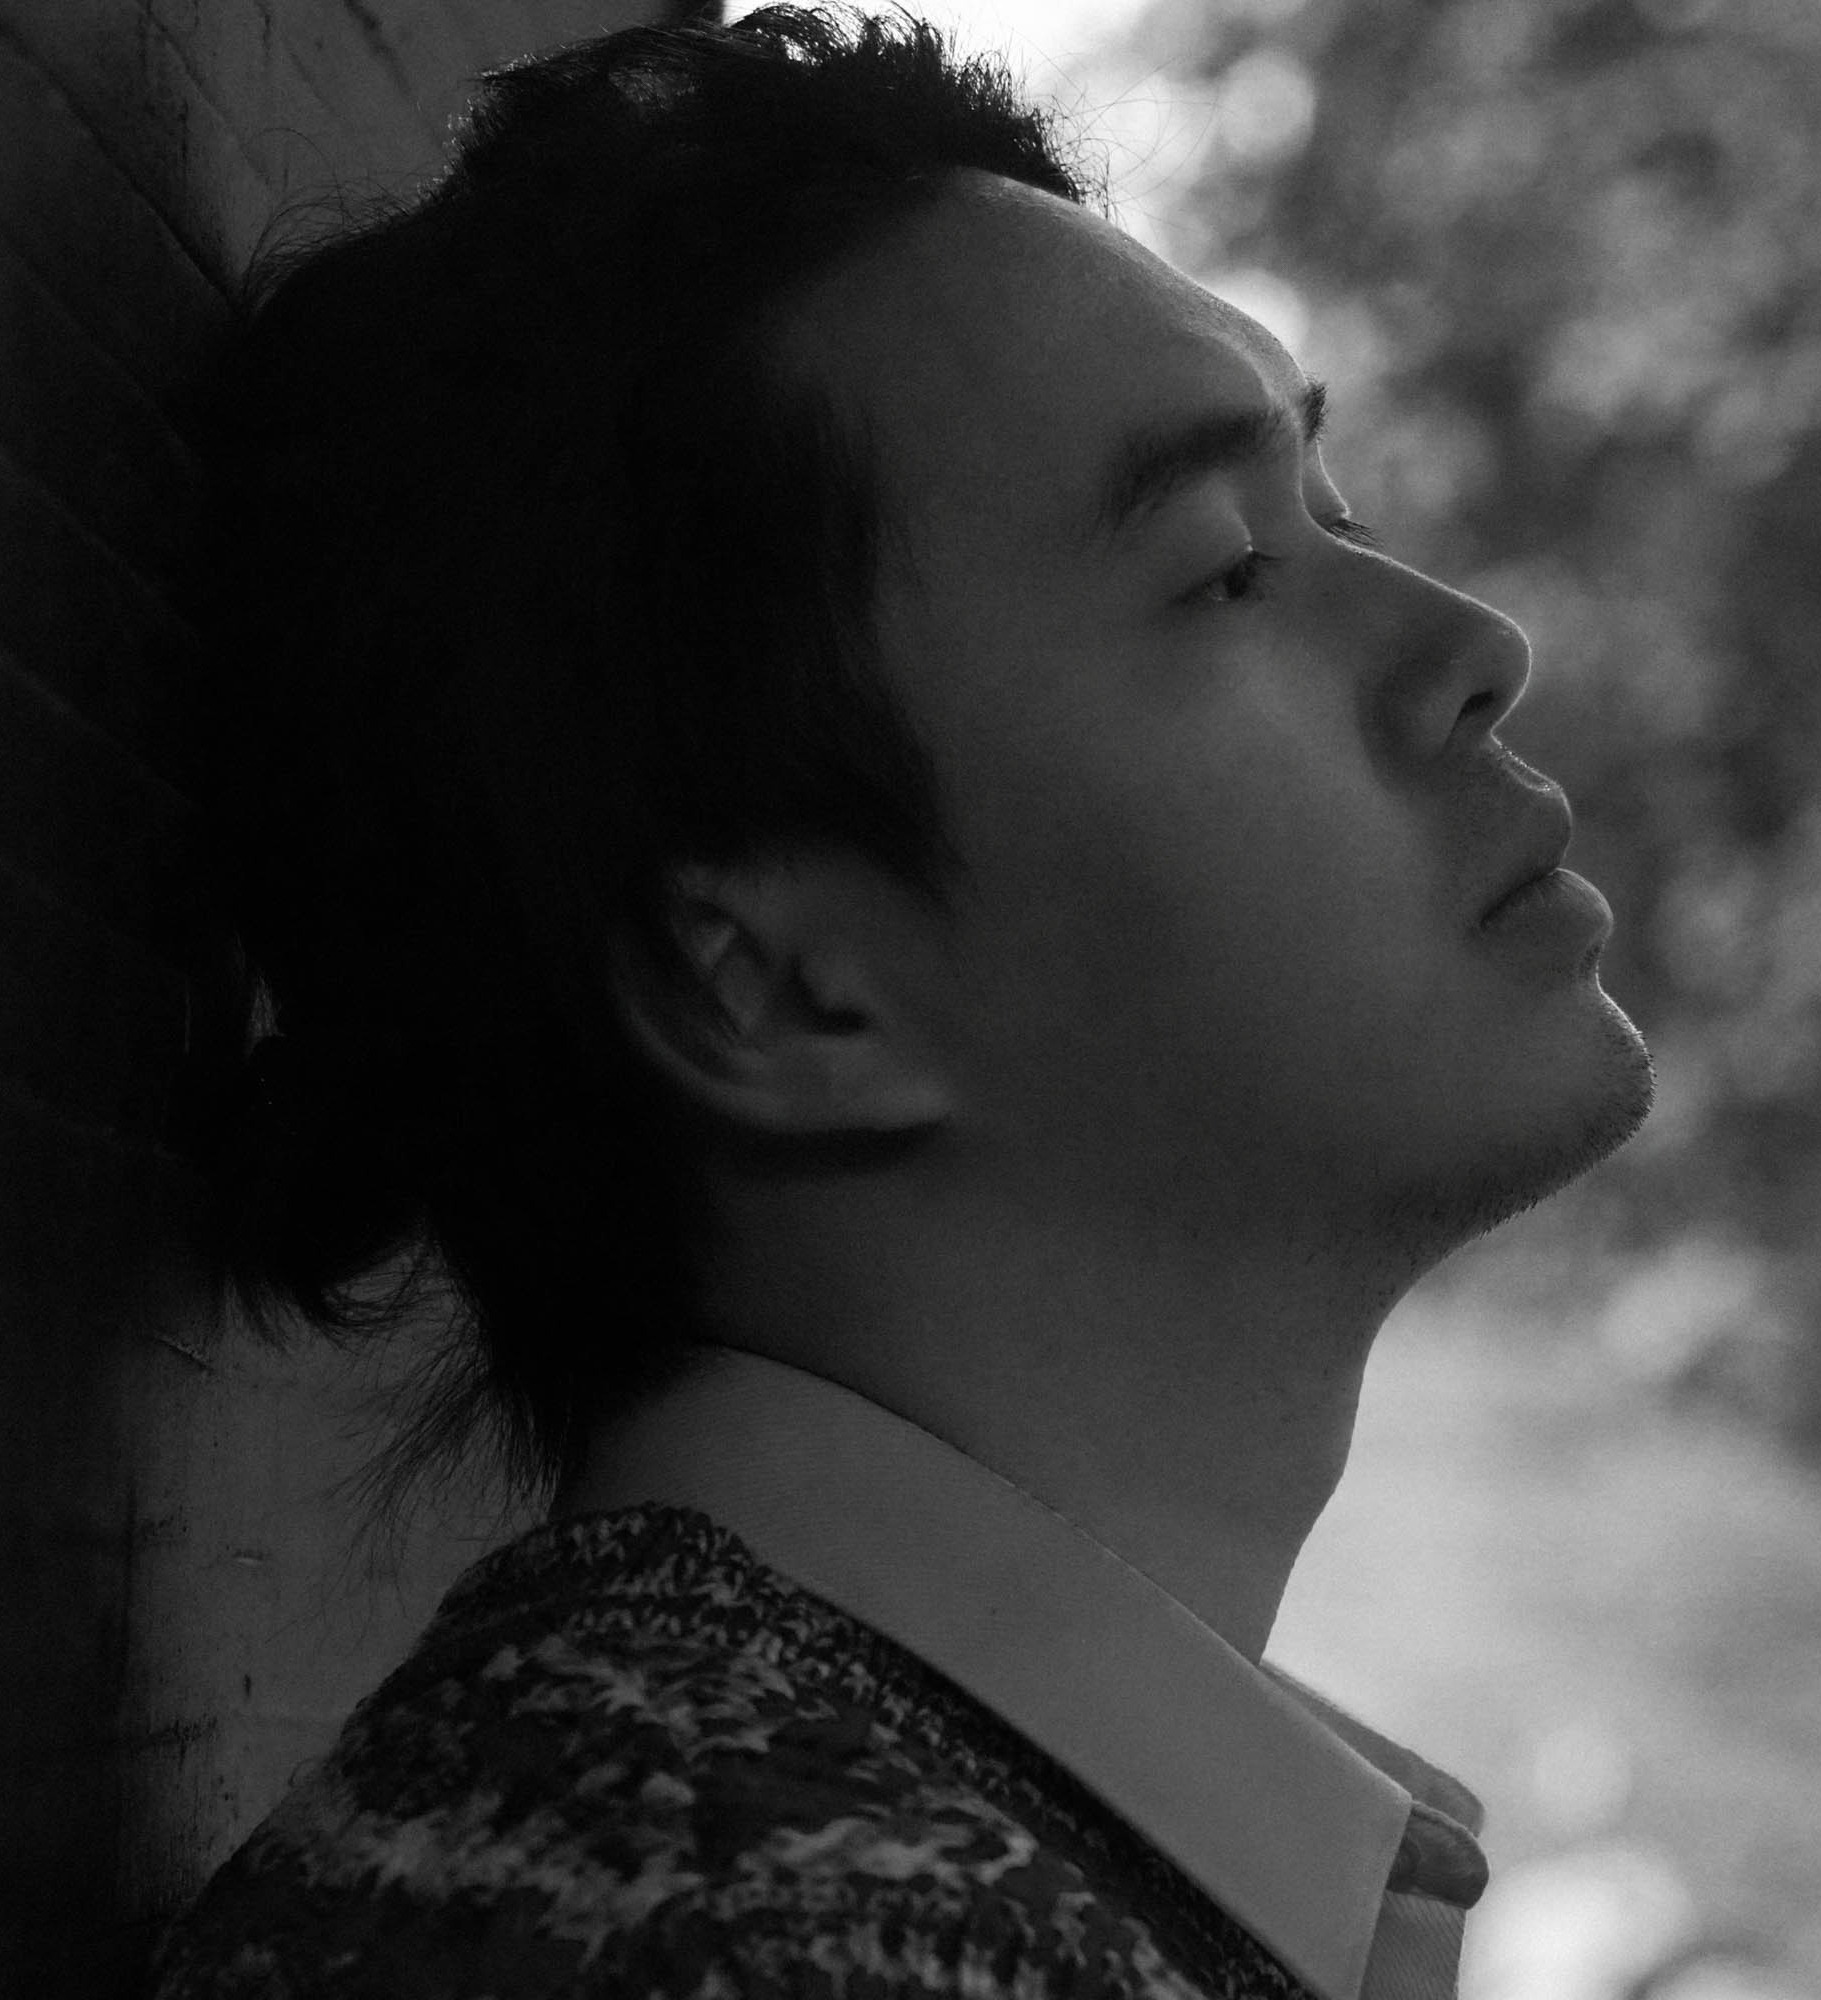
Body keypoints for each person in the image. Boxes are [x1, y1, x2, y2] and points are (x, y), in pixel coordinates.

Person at [155, 5, 1652, 1995]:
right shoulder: (767, 1930)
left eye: (1335, 514)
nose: (1475, 643)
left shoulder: (803, 1840)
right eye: (1225, 569)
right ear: (782, 990)